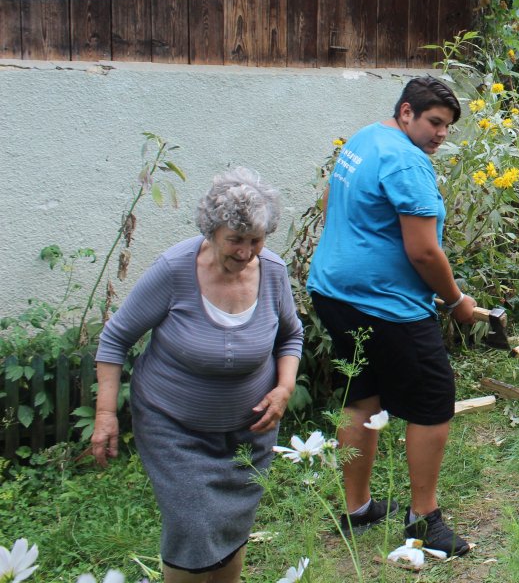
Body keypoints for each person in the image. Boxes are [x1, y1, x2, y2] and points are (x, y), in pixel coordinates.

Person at [91, 168, 302, 582]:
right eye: (235, 240)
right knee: (192, 524)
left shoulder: (272, 271)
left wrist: (284, 388)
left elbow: (291, 335)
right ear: (211, 232)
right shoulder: (174, 271)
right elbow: (115, 339)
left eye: (256, 241)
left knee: (232, 523)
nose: (246, 252)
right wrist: (105, 415)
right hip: (175, 428)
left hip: (250, 430)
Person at [307, 75, 482, 555]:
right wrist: (455, 301)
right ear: (406, 112)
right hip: (385, 305)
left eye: (447, 126)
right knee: (432, 400)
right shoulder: (407, 161)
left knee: (361, 396)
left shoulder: (366, 138)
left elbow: (330, 202)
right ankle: (424, 520)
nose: (441, 134)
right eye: (433, 122)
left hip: (333, 291)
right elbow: (425, 253)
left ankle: (358, 508)